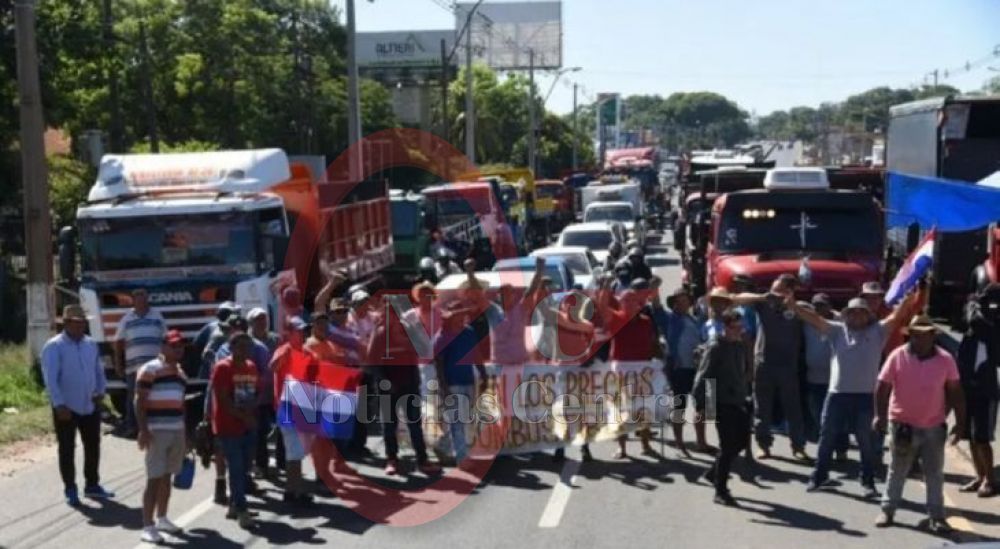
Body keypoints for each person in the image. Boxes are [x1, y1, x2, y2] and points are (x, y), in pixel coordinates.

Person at [791, 292, 917, 497]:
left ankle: (867, 482)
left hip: (866, 397)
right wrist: (793, 306)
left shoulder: (878, 331)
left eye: (861, 312)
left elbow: (897, 316)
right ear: (846, 315)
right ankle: (819, 476)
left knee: (865, 441)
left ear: (868, 315)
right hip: (837, 395)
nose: (857, 316)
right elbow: (814, 319)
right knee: (827, 437)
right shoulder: (837, 331)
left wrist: (908, 300)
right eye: (852, 313)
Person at [874, 314, 966, 533]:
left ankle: (937, 516)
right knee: (898, 469)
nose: (920, 339)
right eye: (916, 335)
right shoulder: (897, 356)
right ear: (911, 335)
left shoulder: (946, 359)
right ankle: (887, 510)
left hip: (933, 426)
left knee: (934, 472)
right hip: (902, 424)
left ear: (933, 336)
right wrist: (879, 416)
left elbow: (955, 391)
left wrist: (960, 424)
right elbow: (882, 387)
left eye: (925, 335)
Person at [41, 305, 115, 507]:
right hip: (66, 407)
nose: (81, 326)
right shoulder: (54, 346)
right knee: (67, 448)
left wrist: (101, 391)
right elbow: (51, 379)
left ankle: (92, 484)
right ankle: (70, 488)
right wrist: (59, 404)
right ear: (66, 324)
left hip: (89, 404)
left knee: (93, 445)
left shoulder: (90, 344)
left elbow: (98, 371)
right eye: (76, 322)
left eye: (83, 322)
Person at [731, 274, 810, 462]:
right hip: (764, 363)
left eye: (780, 290)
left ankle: (798, 447)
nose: (775, 293)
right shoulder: (764, 305)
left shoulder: (799, 308)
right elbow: (735, 300)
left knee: (793, 408)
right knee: (762, 407)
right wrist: (762, 297)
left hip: (788, 366)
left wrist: (794, 305)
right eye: (774, 289)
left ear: (790, 291)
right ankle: (763, 445)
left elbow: (820, 317)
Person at [368, 293, 442, 476]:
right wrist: (384, 383)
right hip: (387, 388)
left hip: (409, 385)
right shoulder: (379, 334)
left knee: (415, 424)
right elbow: (372, 363)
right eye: (388, 311)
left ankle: (422, 460)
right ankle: (392, 459)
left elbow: (424, 350)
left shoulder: (409, 331)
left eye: (394, 311)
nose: (391, 315)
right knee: (389, 425)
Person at [693, 308, 751, 507]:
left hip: (738, 400)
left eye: (741, 327)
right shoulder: (716, 347)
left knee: (741, 442)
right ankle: (721, 490)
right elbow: (704, 375)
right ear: (725, 327)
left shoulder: (739, 346)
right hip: (720, 401)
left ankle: (713, 473)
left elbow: (741, 373)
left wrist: (745, 393)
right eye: (735, 327)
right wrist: (703, 405)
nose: (739, 331)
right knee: (727, 446)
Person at [135, 330, 188, 543]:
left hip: (176, 430)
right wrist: (143, 430)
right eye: (174, 346)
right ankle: (148, 526)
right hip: (156, 431)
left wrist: (185, 432)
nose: (178, 349)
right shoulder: (150, 369)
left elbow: (181, 404)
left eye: (181, 346)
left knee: (167, 477)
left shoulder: (181, 374)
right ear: (163, 347)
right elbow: (139, 401)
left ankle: (163, 517)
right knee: (154, 479)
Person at [602, 278, 659, 459]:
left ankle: (645, 444)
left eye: (632, 301)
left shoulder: (646, 321)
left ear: (638, 304)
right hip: (621, 368)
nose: (629, 305)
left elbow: (651, 343)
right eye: (625, 301)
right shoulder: (616, 319)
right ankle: (622, 448)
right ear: (621, 303)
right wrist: (604, 288)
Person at [210, 332, 261, 529]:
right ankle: (242, 509)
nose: (245, 350)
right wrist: (244, 418)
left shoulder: (251, 367)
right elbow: (223, 400)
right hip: (229, 426)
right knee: (237, 469)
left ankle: (233, 505)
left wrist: (252, 413)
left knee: (246, 466)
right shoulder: (223, 367)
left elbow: (255, 393)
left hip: (248, 425)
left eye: (248, 347)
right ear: (231, 348)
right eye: (240, 346)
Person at [657, 287, 713, 456]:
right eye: (678, 301)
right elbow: (657, 309)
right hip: (679, 368)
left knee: (701, 407)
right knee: (680, 406)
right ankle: (680, 443)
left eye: (685, 300)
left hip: (696, 368)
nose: (682, 303)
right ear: (673, 303)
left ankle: (701, 442)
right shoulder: (670, 319)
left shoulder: (694, 319)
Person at [956, 284, 1000, 497]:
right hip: (968, 387)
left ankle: (990, 480)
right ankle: (979, 476)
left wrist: (976, 305)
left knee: (982, 437)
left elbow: (978, 321)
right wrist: (974, 303)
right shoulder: (972, 328)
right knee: (969, 437)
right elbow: (967, 319)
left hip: (986, 389)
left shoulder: (991, 326)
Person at [270, 316, 317, 505]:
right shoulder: (284, 350)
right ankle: (292, 493)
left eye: (303, 330)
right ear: (289, 333)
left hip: (303, 405)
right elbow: (273, 367)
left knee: (299, 452)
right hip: (287, 406)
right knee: (294, 452)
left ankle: (294, 491)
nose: (302, 333)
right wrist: (286, 354)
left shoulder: (307, 352)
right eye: (298, 330)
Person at [434, 302, 486, 463]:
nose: (461, 317)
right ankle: (462, 457)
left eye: (462, 314)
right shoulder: (442, 337)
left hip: (468, 380)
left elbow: (476, 353)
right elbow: (439, 363)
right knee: (457, 420)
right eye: (458, 314)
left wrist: (483, 372)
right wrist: (443, 387)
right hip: (452, 383)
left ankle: (443, 445)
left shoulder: (469, 332)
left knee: (462, 418)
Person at [114, 288, 166, 437]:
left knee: (156, 395)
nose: (140, 300)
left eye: (143, 297)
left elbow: (165, 338)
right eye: (137, 297)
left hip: (155, 367)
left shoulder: (157, 316)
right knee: (133, 397)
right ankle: (132, 427)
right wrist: (118, 363)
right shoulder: (127, 318)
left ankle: (155, 426)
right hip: (134, 367)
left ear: (147, 299)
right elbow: (118, 341)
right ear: (133, 300)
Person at [800, 294, 847, 458]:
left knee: (838, 416)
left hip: (835, 379)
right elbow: (795, 306)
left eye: (823, 305)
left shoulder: (840, 322)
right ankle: (826, 448)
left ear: (830, 306)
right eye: (816, 305)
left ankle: (841, 449)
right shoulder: (808, 322)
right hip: (814, 378)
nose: (819, 309)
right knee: (819, 415)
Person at [247, 308, 280, 478]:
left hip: (276, 393)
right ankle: (262, 465)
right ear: (251, 323)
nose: (262, 322)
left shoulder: (275, 339)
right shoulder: (246, 342)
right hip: (258, 395)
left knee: (283, 427)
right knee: (260, 432)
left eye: (264, 319)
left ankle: (283, 462)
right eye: (258, 320)